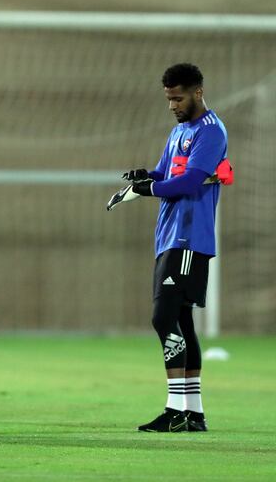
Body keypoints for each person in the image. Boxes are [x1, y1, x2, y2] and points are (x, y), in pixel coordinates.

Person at [117, 63, 229, 433]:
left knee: (162, 318)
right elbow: (168, 175)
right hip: (170, 237)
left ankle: (175, 409)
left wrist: (148, 190)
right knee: (180, 320)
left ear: (198, 92)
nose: (172, 105)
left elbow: (192, 182)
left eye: (177, 98)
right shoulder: (180, 131)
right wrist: (147, 176)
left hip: (188, 238)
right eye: (168, 99)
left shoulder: (210, 132)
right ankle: (193, 414)